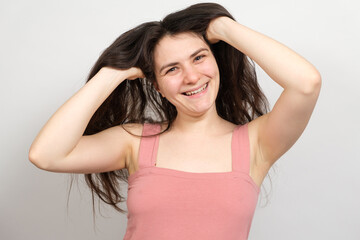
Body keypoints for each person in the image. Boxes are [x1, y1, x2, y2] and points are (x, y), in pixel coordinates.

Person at [28, 3, 321, 240]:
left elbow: (306, 83)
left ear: (215, 60)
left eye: (198, 57)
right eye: (171, 69)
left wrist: (221, 26)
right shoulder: (136, 142)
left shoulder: (256, 143)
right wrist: (113, 73)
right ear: (156, 85)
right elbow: (46, 155)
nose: (192, 77)